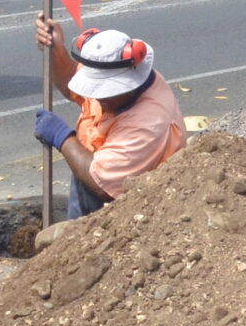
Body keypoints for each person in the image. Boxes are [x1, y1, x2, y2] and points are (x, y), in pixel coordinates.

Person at [32, 22, 186, 216]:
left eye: (106, 92)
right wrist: (56, 50)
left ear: (129, 84)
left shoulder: (148, 123)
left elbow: (101, 183)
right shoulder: (117, 86)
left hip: (136, 213)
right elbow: (73, 83)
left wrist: (62, 137)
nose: (98, 98)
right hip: (91, 181)